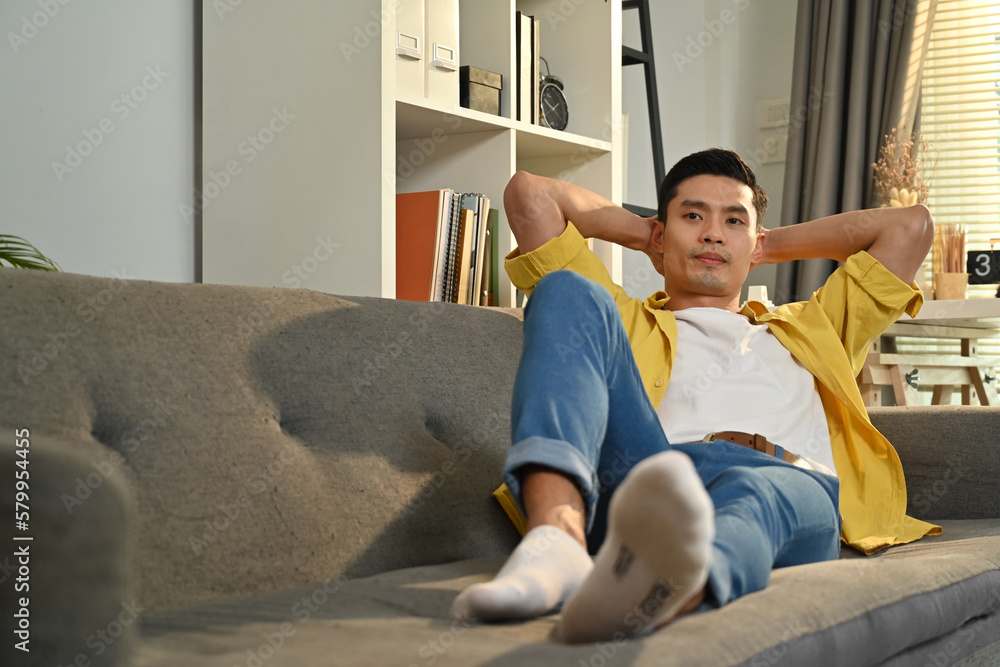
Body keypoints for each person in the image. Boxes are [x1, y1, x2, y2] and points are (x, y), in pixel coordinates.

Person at [449, 148, 941, 644]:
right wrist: (648, 235)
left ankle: (666, 588)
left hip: (784, 484)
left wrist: (764, 244)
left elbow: (910, 227)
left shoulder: (815, 327)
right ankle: (556, 541)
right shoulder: (628, 319)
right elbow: (530, 196)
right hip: (651, 481)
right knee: (564, 289)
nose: (712, 234)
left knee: (760, 495)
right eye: (692, 216)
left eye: (733, 221)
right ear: (661, 234)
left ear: (756, 242)